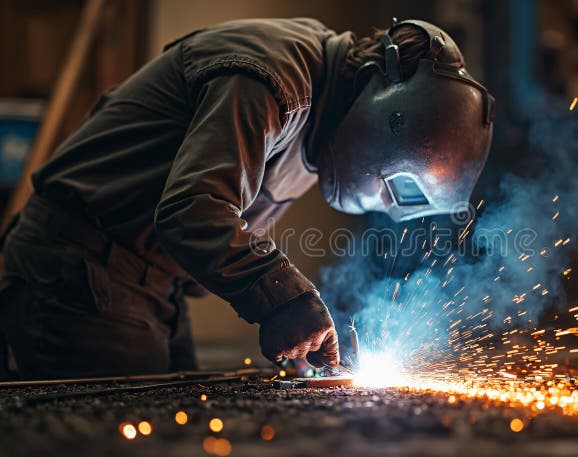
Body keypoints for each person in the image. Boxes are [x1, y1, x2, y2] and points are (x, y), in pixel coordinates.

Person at [0, 18, 494, 379]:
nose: (387, 202)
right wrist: (284, 300)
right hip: (78, 272)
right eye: (397, 186)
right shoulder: (273, 77)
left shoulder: (319, 118)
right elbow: (192, 208)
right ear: (383, 104)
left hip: (147, 289)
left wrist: (298, 326)